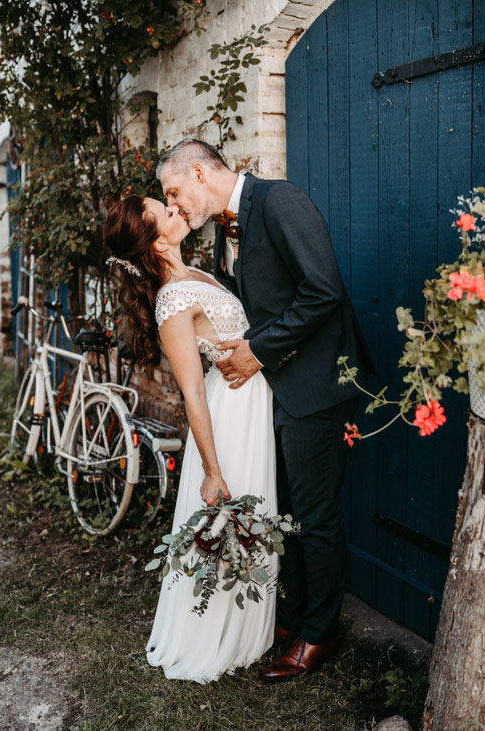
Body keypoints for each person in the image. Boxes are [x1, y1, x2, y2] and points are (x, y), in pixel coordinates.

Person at [156, 138, 374, 682]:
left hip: (319, 386)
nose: (176, 205)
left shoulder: (279, 201)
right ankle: (294, 617)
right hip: (282, 393)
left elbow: (323, 291)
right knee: (293, 513)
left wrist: (257, 350)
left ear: (200, 171)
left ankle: (320, 636)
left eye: (175, 191)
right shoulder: (230, 228)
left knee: (316, 517)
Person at [103, 194, 278, 683]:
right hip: (229, 415)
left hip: (251, 399)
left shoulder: (195, 276)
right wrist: (213, 470)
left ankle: (255, 624)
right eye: (167, 209)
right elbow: (192, 394)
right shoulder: (172, 300)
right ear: (158, 239)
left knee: (258, 508)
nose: (178, 209)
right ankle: (219, 634)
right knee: (236, 511)